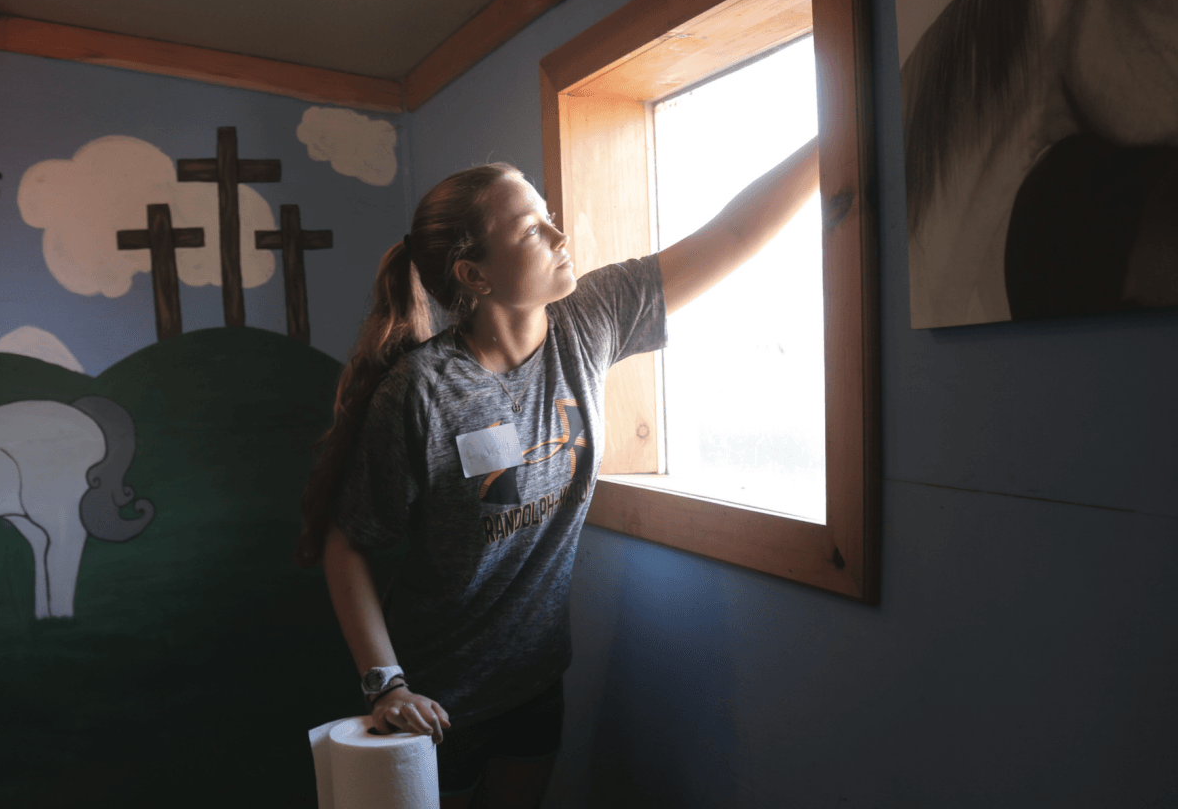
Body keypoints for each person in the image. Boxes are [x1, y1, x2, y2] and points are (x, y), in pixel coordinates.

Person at [295, 139, 820, 808]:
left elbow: (735, 232)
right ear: (475, 276)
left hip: (535, 680)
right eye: (530, 229)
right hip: (431, 698)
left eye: (547, 215)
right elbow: (348, 542)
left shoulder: (590, 324)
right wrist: (387, 685)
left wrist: (834, 136)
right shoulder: (421, 391)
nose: (559, 232)